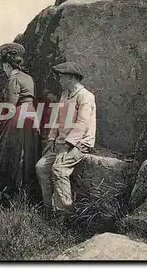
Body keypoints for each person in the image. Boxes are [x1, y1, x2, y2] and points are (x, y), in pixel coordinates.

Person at [35, 61, 96, 215]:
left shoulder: (86, 96)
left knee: (59, 169)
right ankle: (50, 210)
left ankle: (65, 213)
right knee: (41, 167)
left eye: (62, 77)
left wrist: (67, 146)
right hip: (61, 142)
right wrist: (51, 139)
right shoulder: (65, 95)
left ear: (71, 77)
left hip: (79, 144)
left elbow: (82, 124)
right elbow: (57, 119)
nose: (59, 80)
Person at [0, 43, 42, 203]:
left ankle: (10, 195)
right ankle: (27, 195)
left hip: (19, 116)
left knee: (11, 154)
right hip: (31, 115)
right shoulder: (28, 77)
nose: (3, 70)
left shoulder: (13, 79)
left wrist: (1, 124)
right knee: (28, 154)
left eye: (3, 66)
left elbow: (11, 106)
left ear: (6, 64)